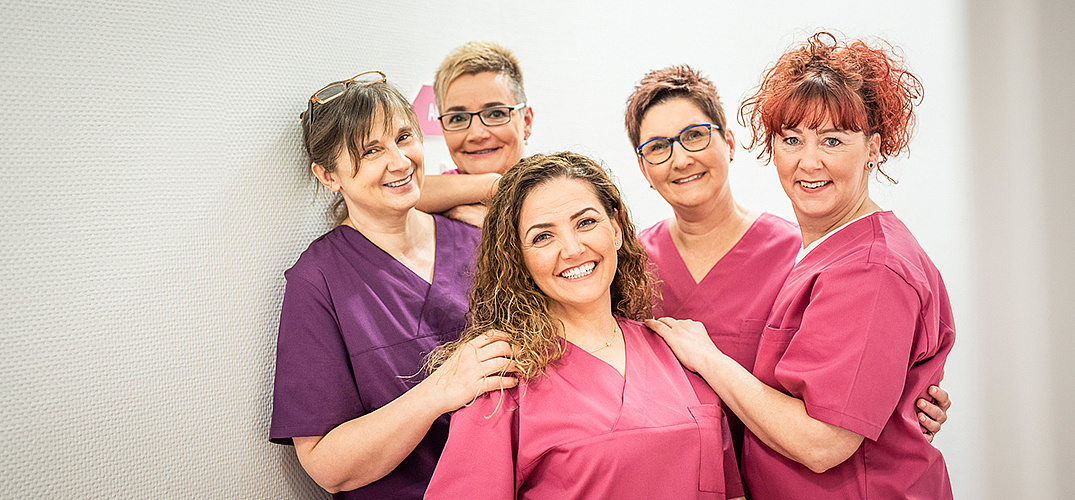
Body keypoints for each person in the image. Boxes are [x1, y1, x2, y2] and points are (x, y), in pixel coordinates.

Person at [647, 32, 955, 498]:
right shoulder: (825, 252)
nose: (808, 162)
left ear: (873, 148)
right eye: (792, 139)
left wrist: (708, 358)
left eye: (832, 140)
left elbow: (823, 443)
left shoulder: (871, 268)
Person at [424, 152, 744, 500]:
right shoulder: (500, 379)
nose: (573, 249)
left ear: (616, 230)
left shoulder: (679, 352)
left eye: (586, 222)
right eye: (543, 237)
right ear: (519, 258)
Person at [269, 72, 518, 499]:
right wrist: (440, 390)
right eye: (371, 150)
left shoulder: (477, 240)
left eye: (404, 137)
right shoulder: (318, 280)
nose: (400, 161)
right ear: (328, 176)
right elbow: (328, 468)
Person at [415, 41, 533, 226]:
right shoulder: (431, 203)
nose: (477, 134)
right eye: (458, 118)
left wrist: (496, 224)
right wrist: (493, 185)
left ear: (526, 121)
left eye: (495, 114)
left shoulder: (557, 186)